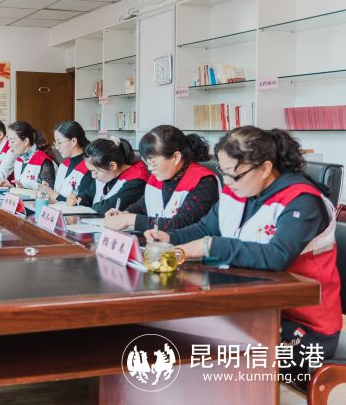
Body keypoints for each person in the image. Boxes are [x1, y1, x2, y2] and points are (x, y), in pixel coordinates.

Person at [145, 126, 341, 387]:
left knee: (212, 360)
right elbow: (205, 228)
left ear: (265, 168)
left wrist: (210, 246)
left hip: (302, 326)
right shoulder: (237, 190)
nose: (226, 182)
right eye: (223, 172)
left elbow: (277, 256)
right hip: (248, 307)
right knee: (176, 338)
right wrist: (170, 238)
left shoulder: (302, 201)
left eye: (234, 174)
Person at [104, 125, 219, 232]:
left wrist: (131, 219)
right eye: (147, 163)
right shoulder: (159, 175)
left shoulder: (204, 181)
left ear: (176, 157)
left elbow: (182, 223)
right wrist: (124, 214)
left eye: (153, 163)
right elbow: (144, 204)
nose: (150, 168)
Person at [77, 137, 149, 214]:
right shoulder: (106, 172)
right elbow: (88, 194)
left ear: (112, 166)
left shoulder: (136, 181)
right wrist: (78, 199)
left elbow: (107, 207)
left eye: (95, 172)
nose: (93, 176)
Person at [39, 121, 93, 203]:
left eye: (59, 142)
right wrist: (48, 190)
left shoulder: (89, 168)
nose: (57, 147)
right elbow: (59, 193)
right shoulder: (64, 165)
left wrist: (54, 195)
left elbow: (82, 204)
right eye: (55, 143)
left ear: (73, 141)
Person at [0, 121, 57, 189]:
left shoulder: (44, 161)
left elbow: (49, 191)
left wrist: (24, 187)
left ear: (26, 141)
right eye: (8, 141)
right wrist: (11, 187)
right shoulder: (19, 160)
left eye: (12, 141)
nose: (9, 145)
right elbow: (21, 187)